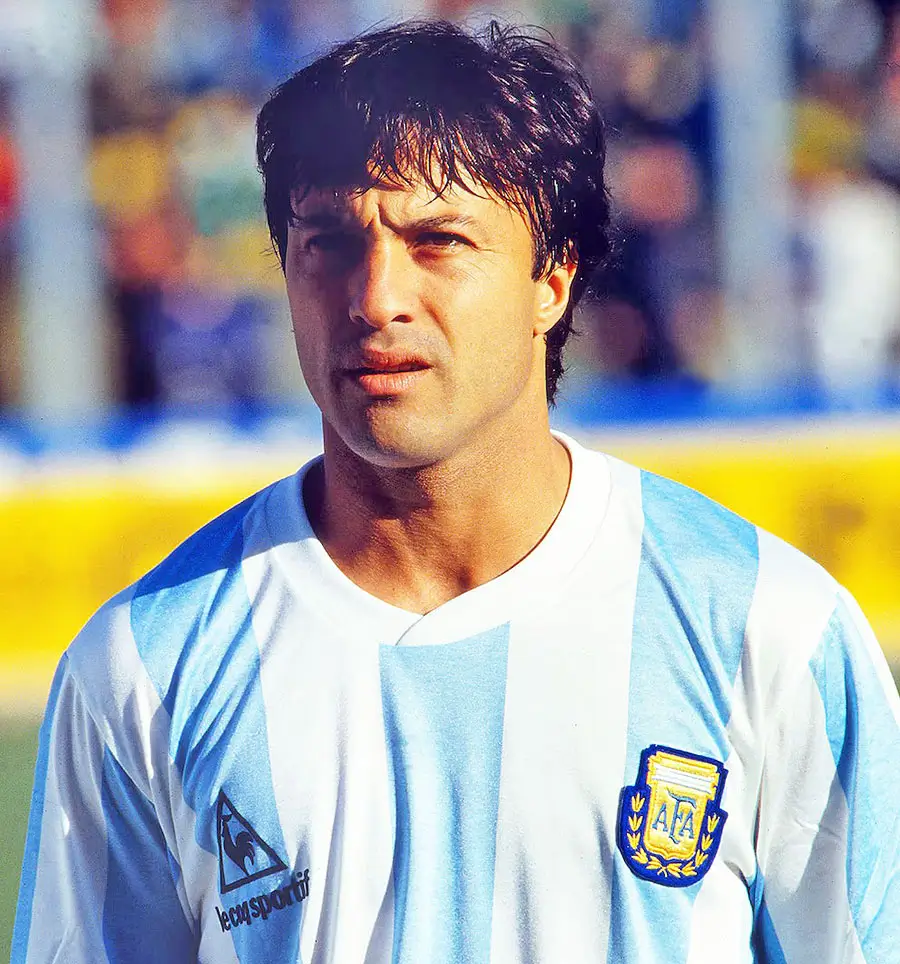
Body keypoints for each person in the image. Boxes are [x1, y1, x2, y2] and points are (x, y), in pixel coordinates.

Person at [12, 20, 900, 964]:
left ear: (552, 278)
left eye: (438, 241)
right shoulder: (143, 669)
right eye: (327, 243)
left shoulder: (768, 628)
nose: (376, 298)